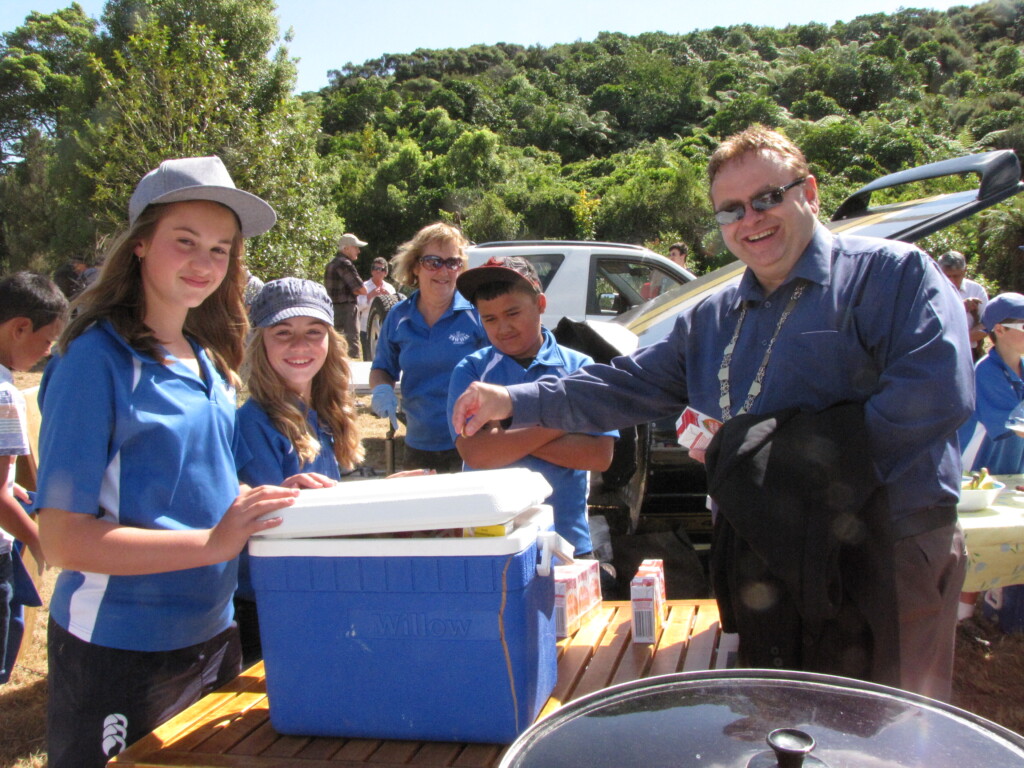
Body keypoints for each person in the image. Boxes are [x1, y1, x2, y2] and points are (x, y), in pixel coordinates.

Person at [453, 125, 972, 701]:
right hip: (765, 553)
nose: (751, 219)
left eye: (767, 198)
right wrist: (516, 398)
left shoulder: (892, 276)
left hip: (886, 548)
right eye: (731, 210)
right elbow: (627, 385)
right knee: (783, 714)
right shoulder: (712, 317)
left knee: (892, 723)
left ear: (811, 192)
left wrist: (789, 477)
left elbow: (933, 396)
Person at [33, 156, 302, 768]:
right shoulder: (91, 361)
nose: (204, 264)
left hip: (213, 632)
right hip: (121, 648)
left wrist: (274, 498)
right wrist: (213, 542)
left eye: (221, 248)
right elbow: (63, 540)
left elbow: (199, 484)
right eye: (186, 242)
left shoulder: (206, 359)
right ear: (139, 244)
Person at [447, 256, 616, 556]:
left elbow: (599, 455)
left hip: (567, 544)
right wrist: (566, 420)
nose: (503, 328)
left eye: (513, 313)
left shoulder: (580, 368)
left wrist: (507, 428)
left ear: (540, 304)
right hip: (491, 543)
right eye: (490, 319)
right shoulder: (471, 372)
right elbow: (475, 452)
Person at [233, 277, 362, 663]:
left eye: (313, 332)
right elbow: (267, 529)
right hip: (267, 602)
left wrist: (383, 491)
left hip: (315, 588)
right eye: (283, 333)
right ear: (260, 343)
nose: (300, 345)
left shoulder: (324, 414)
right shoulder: (254, 424)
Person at [370, 222, 487, 473]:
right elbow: (382, 367)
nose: (443, 270)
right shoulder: (398, 316)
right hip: (418, 445)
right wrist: (381, 389)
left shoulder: (477, 314)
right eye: (433, 262)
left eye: (452, 262)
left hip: (472, 444)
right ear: (415, 266)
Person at [0, 272, 66, 684]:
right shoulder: (5, 397)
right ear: (19, 327)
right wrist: (47, 545)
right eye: (46, 341)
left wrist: (13, 485)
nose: (46, 353)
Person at [957, 293, 1024, 625]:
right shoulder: (986, 372)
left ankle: (1000, 609)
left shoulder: (1022, 368)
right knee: (974, 542)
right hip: (978, 469)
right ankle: (962, 616)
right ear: (1000, 329)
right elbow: (1017, 424)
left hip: (1010, 466)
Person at [938, 250, 988, 361]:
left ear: (965, 271)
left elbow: (987, 325)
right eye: (947, 276)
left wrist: (960, 339)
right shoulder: (932, 290)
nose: (951, 280)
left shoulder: (976, 290)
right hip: (940, 353)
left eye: (956, 276)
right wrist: (961, 307)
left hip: (971, 353)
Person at [323, 233, 368, 359]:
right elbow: (361, 289)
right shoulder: (344, 263)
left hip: (332, 310)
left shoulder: (331, 263)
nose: (358, 251)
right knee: (351, 346)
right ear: (346, 248)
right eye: (356, 247)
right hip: (346, 310)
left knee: (336, 346)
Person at [356, 256, 397, 360]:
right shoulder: (364, 286)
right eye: (375, 268)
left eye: (381, 269)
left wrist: (389, 296)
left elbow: (396, 308)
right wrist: (370, 295)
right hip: (365, 328)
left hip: (385, 330)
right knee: (368, 358)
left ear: (385, 273)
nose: (378, 271)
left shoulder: (390, 288)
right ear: (372, 271)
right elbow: (357, 307)